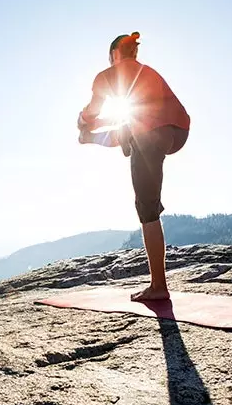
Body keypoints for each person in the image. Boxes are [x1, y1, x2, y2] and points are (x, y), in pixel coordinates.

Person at [77, 31, 190, 302]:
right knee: (132, 134)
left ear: (115, 53)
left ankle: (158, 287)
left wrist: (83, 120)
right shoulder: (147, 72)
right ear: (133, 53)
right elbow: (134, 120)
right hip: (178, 131)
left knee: (147, 209)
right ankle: (90, 139)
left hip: (153, 131)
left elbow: (93, 112)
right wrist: (94, 129)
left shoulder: (106, 76)